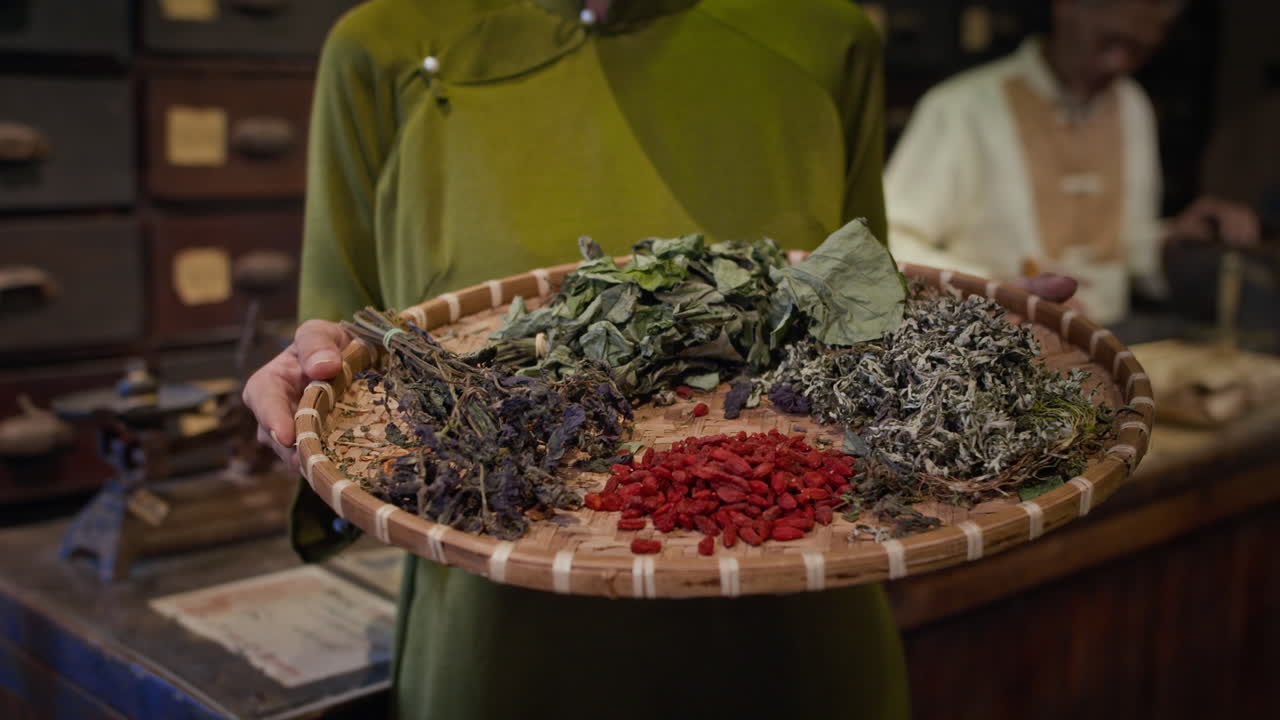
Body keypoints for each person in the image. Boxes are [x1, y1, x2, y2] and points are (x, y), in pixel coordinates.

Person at [243, 2, 1072, 718]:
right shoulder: (386, 48)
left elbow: (858, 324)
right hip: (510, 659)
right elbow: (344, 387)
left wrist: (966, 342)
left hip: (797, 646)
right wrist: (304, 391)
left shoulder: (823, 38)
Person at [884, 0, 1259, 325]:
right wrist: (995, 287)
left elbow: (1120, 251)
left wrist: (1173, 239)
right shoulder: (963, 108)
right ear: (1065, 8)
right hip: (998, 340)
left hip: (1110, 334)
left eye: (1137, 50)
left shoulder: (1131, 104)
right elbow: (894, 240)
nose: (1118, 63)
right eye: (1109, 41)